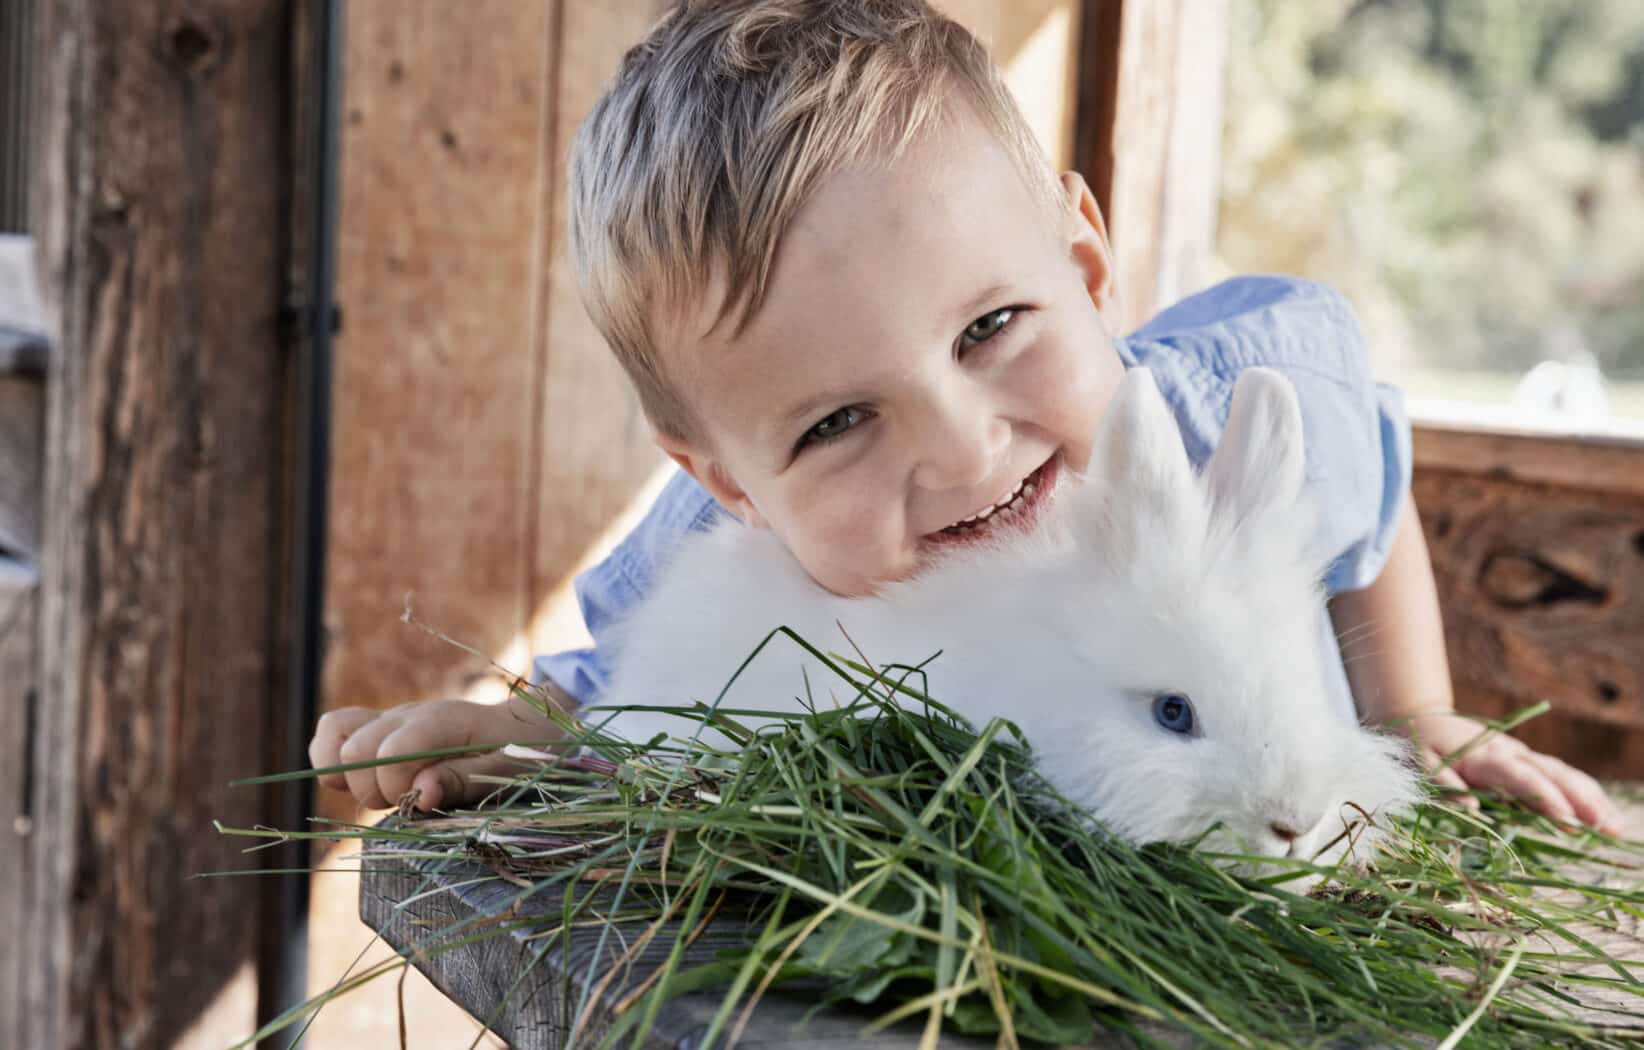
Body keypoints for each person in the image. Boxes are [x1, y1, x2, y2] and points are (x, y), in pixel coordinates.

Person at [309, 0, 1618, 833]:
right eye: (833, 425)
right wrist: (542, 732)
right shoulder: (735, 557)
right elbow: (647, 677)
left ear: (1088, 272)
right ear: (732, 488)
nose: (960, 449)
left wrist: (1414, 719)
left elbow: (1362, 478)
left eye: (992, 328)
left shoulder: (1226, 412)